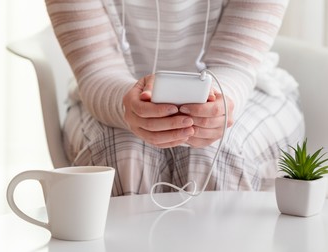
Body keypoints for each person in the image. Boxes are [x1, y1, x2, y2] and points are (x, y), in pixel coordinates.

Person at [45, 0, 304, 196]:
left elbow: (234, 64)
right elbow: (97, 68)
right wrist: (128, 106)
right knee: (124, 156)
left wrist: (215, 104)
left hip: (248, 85)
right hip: (109, 90)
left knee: (214, 154)